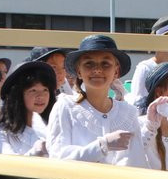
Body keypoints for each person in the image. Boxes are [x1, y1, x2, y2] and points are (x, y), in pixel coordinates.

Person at [47, 35, 148, 167]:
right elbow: (57, 158)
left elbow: (137, 162)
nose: (97, 70)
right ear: (78, 71)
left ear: (116, 71)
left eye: (105, 64)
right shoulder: (65, 107)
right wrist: (102, 146)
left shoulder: (128, 113)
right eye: (89, 64)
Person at [0, 61, 57, 157]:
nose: (41, 96)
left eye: (45, 90)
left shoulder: (55, 128)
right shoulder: (3, 133)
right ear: (18, 95)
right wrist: (37, 151)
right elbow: (10, 165)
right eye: (33, 90)